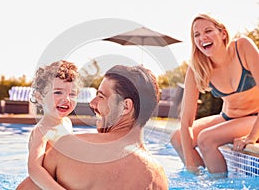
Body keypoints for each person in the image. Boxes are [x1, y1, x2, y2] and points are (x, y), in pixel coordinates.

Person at [17, 64, 168, 190]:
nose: (92, 103)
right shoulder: (159, 178)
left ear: (125, 106)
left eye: (101, 96)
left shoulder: (69, 149)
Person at [171, 13, 259, 175]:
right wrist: (190, 164)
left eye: (208, 31)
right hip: (228, 117)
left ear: (223, 33)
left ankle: (220, 186)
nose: (202, 37)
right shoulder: (197, 68)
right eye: (196, 35)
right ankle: (202, 180)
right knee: (177, 138)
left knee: (206, 139)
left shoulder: (243, 47)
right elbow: (186, 121)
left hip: (255, 118)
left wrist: (252, 136)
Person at [17, 60, 80, 189]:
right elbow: (34, 169)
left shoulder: (67, 123)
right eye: (58, 92)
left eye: (72, 94)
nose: (66, 99)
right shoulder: (41, 131)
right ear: (39, 97)